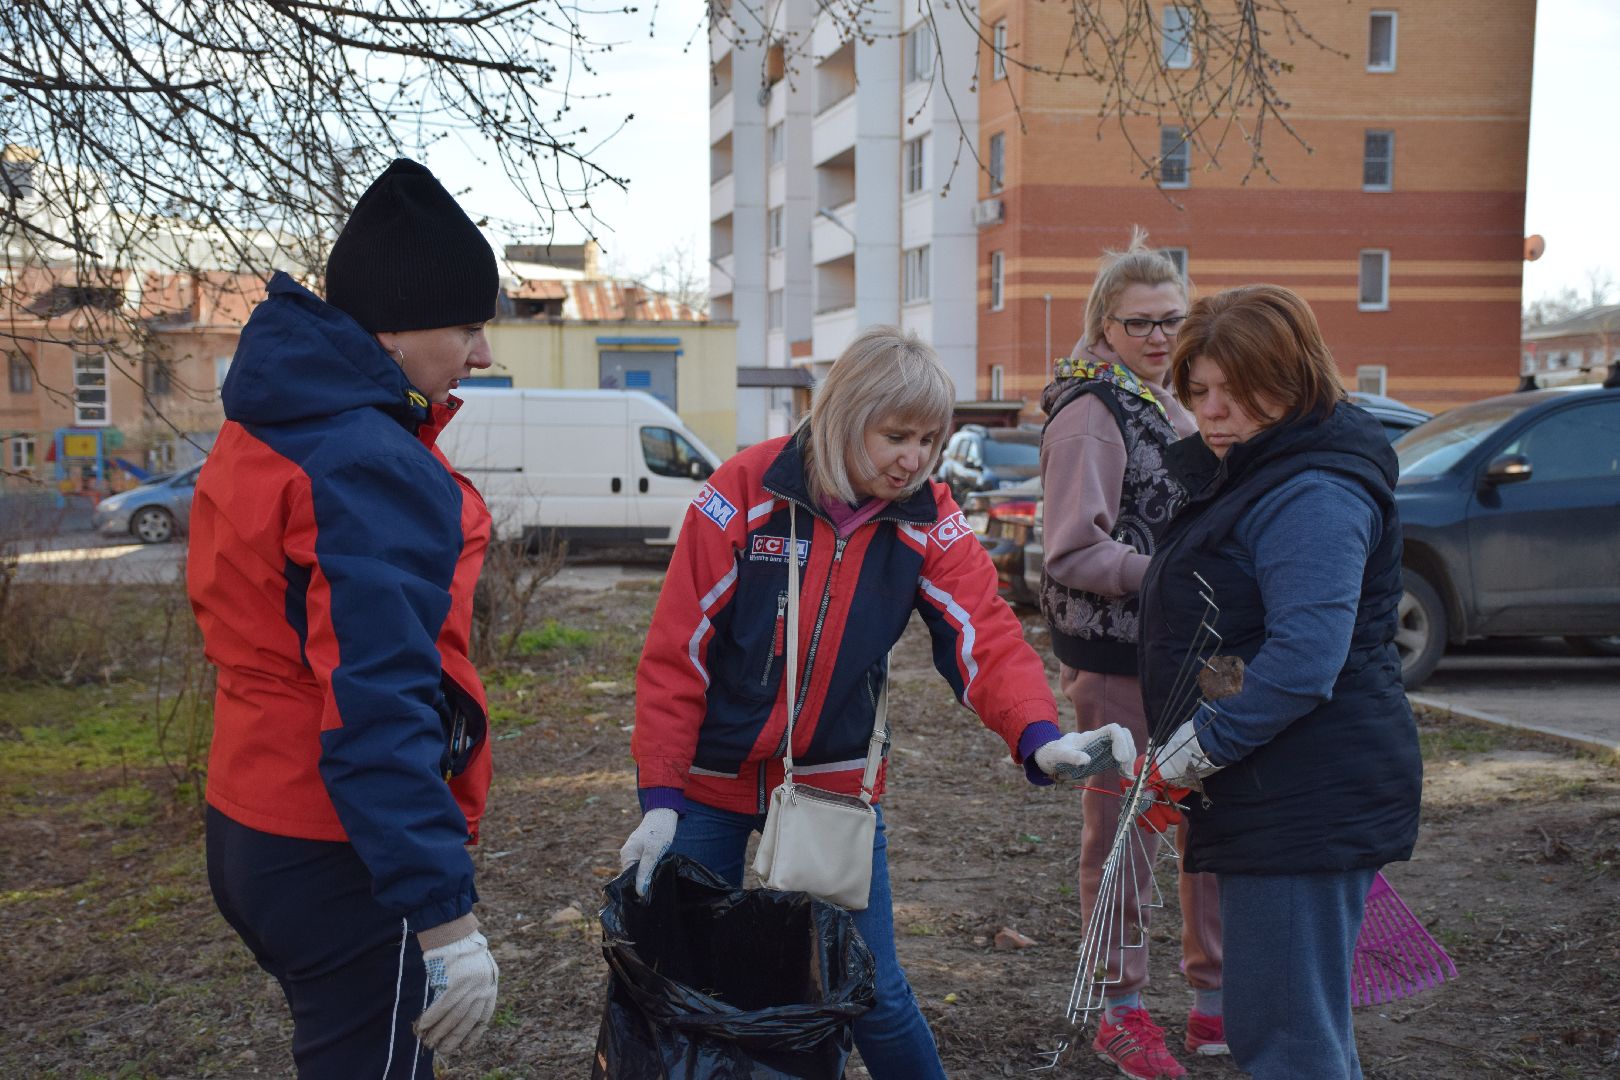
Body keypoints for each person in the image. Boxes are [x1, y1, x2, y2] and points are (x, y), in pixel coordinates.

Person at [619, 326, 1134, 1080]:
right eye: (896, 436)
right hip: (708, 783)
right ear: (842, 417)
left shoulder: (927, 516)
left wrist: (1038, 734)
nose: (914, 459)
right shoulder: (742, 492)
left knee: (869, 987)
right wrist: (660, 794)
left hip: (833, 780)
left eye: (929, 440)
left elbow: (983, 631)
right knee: (686, 984)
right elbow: (677, 650)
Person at [188, 158, 502, 1077]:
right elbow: (377, 700)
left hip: (249, 820)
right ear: (397, 328)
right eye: (469, 327)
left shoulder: (273, 419)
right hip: (340, 846)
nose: (481, 355)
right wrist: (444, 916)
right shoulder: (366, 461)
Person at [1137, 285, 1423, 1080]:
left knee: (1287, 1042)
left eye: (1239, 390)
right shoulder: (1262, 470)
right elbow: (1240, 625)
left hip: (1304, 796)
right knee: (1297, 1033)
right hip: (1278, 788)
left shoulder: (1312, 490)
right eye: (1200, 392)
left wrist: (1201, 744)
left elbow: (1304, 660)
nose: (1216, 413)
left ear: (1294, 378)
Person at [1038, 229, 1222, 1080]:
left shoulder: (1173, 403)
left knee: (1206, 826)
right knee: (1124, 838)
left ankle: (1214, 1004)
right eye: (1141, 323)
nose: (1158, 337)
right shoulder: (1091, 412)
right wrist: (1172, 578)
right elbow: (1073, 553)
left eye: (1171, 321)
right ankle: (1120, 1012)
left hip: (1189, 655)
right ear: (1104, 326)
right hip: (1117, 660)